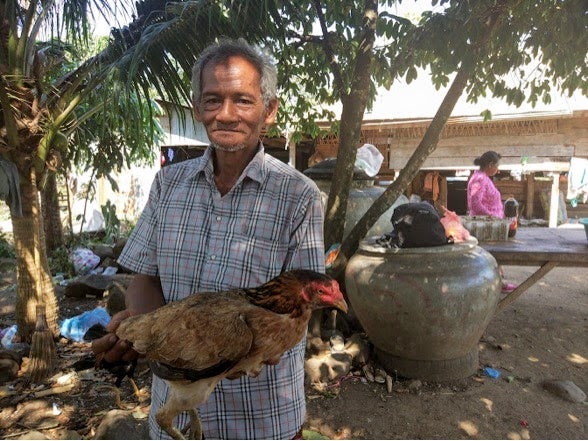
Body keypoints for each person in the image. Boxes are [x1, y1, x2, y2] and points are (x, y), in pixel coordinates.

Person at [92, 38, 325, 439]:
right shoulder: (168, 184)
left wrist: (252, 348)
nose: (226, 114)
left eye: (243, 100)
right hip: (176, 402)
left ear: (269, 110)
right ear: (197, 107)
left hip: (260, 417)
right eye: (213, 100)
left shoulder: (299, 196)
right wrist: (149, 331)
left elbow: (304, 302)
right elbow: (145, 278)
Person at [467, 150, 517, 293]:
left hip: (490, 223)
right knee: (492, 255)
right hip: (486, 225)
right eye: (497, 165)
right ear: (490, 164)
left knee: (495, 256)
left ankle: (499, 282)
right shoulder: (479, 179)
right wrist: (492, 217)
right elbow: (475, 204)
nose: (498, 169)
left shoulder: (482, 177)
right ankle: (495, 285)